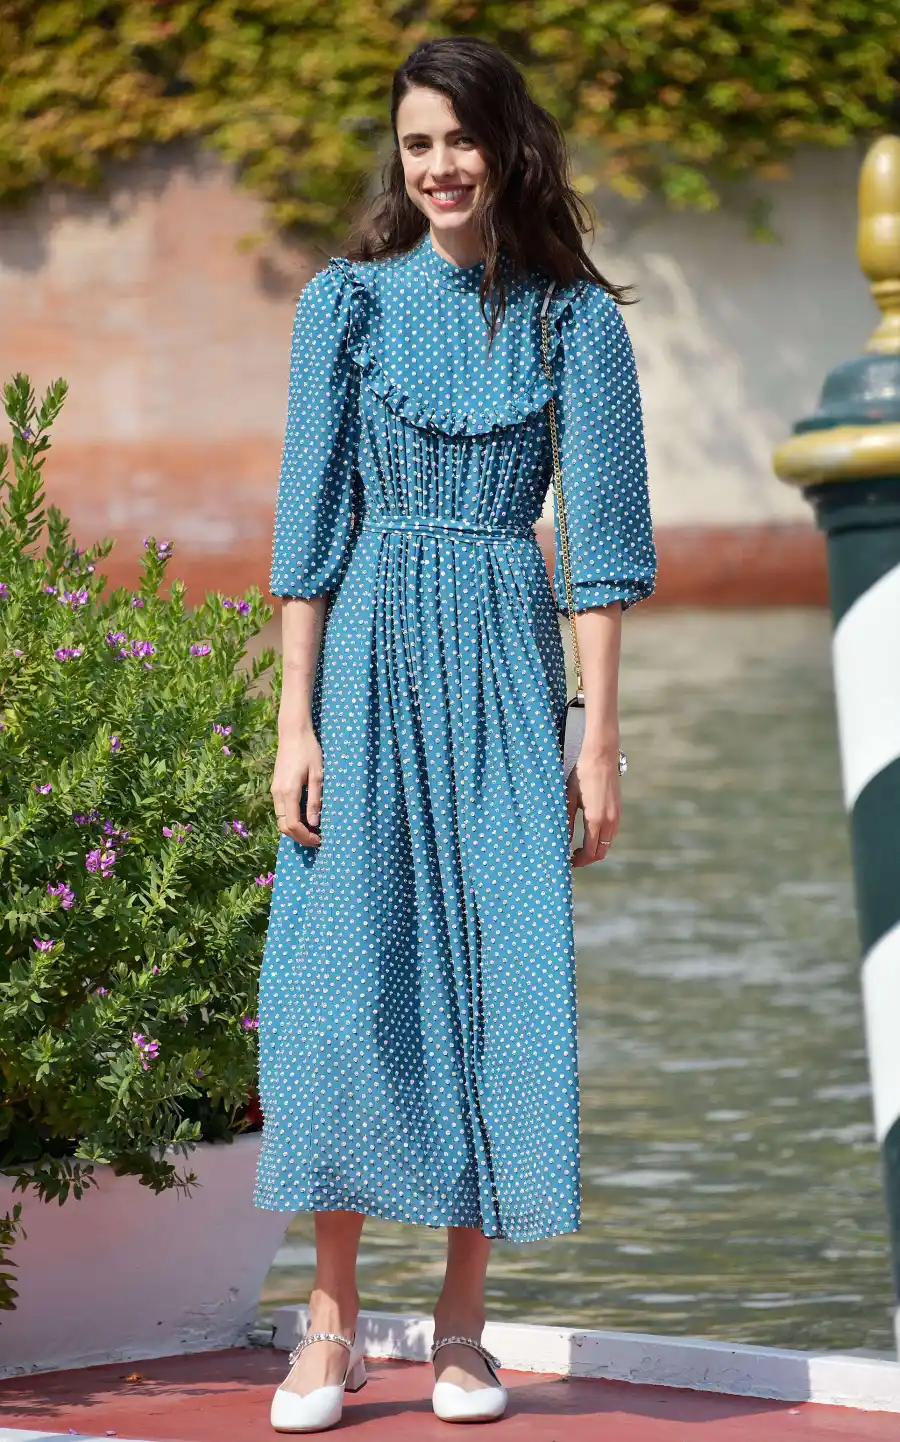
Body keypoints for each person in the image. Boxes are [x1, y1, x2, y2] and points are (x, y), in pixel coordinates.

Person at [253, 34, 656, 1433]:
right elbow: (306, 535)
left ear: (508, 145)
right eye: (416, 142)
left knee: (499, 973)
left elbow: (599, 556)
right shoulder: (344, 308)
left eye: (460, 140)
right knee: (348, 979)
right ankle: (331, 1323)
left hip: (501, 657)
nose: (438, 167)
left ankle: (467, 1330)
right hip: (363, 662)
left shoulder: (576, 327)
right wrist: (293, 721)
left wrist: (595, 742)